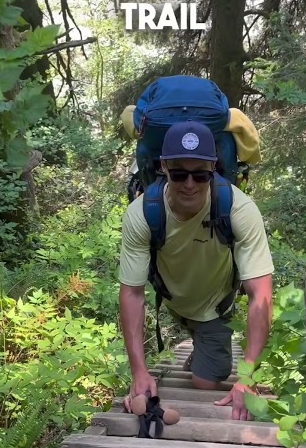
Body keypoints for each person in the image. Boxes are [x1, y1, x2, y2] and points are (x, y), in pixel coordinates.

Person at [117, 121, 276, 421]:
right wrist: (139, 372)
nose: (189, 184)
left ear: (213, 168)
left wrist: (248, 376)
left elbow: (261, 296)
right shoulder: (143, 214)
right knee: (193, 339)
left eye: (200, 174)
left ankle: (204, 346)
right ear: (164, 167)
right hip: (175, 301)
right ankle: (198, 341)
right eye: (179, 173)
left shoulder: (238, 210)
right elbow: (132, 294)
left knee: (205, 383)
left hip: (214, 307)